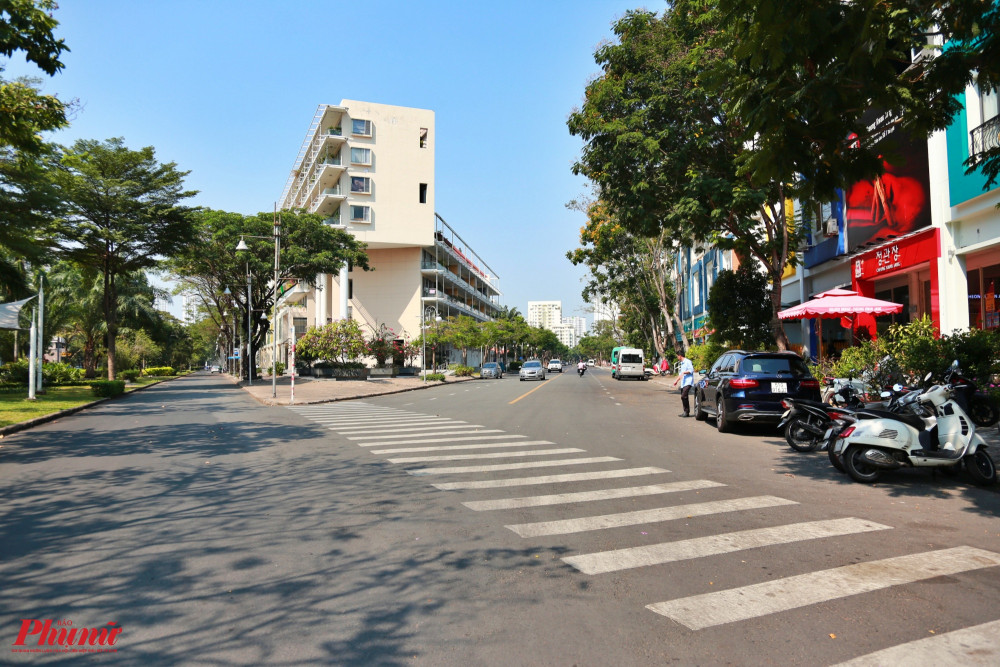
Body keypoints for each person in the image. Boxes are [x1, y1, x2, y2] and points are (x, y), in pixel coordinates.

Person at [673, 353, 694, 417]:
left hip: (688, 382)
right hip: (683, 383)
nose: (677, 357)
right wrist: (676, 381)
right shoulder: (681, 363)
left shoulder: (688, 362)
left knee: (683, 396)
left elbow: (691, 370)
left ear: (680, 355)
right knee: (684, 397)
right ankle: (686, 411)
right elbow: (680, 374)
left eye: (677, 356)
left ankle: (686, 411)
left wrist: (684, 372)